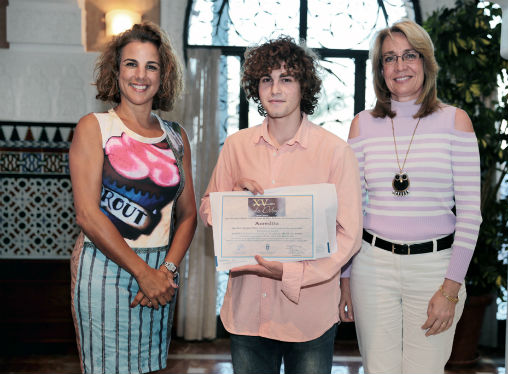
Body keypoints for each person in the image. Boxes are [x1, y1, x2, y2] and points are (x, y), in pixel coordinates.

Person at [199, 36, 362, 374]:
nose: (275, 89)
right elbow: (207, 209)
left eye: (286, 78)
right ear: (256, 87)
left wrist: (293, 273)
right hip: (247, 313)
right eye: (266, 79)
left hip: (310, 313)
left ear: (304, 86)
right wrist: (232, 201)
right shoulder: (236, 146)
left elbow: (349, 236)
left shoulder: (335, 152)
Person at [338, 19, 482, 374]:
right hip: (372, 267)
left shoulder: (456, 122)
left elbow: (470, 215)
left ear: (426, 62)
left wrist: (450, 289)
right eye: (389, 58)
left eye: (410, 55)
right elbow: (351, 211)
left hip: (435, 269)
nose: (400, 66)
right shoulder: (361, 125)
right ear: (380, 69)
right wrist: (344, 279)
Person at [69, 22, 197, 374]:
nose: (140, 75)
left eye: (151, 66)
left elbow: (188, 215)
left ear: (163, 74)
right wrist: (143, 274)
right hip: (104, 268)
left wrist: (165, 272)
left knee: (149, 368)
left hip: (160, 273)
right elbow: (87, 215)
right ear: (116, 70)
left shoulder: (177, 137)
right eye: (131, 64)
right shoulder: (94, 127)